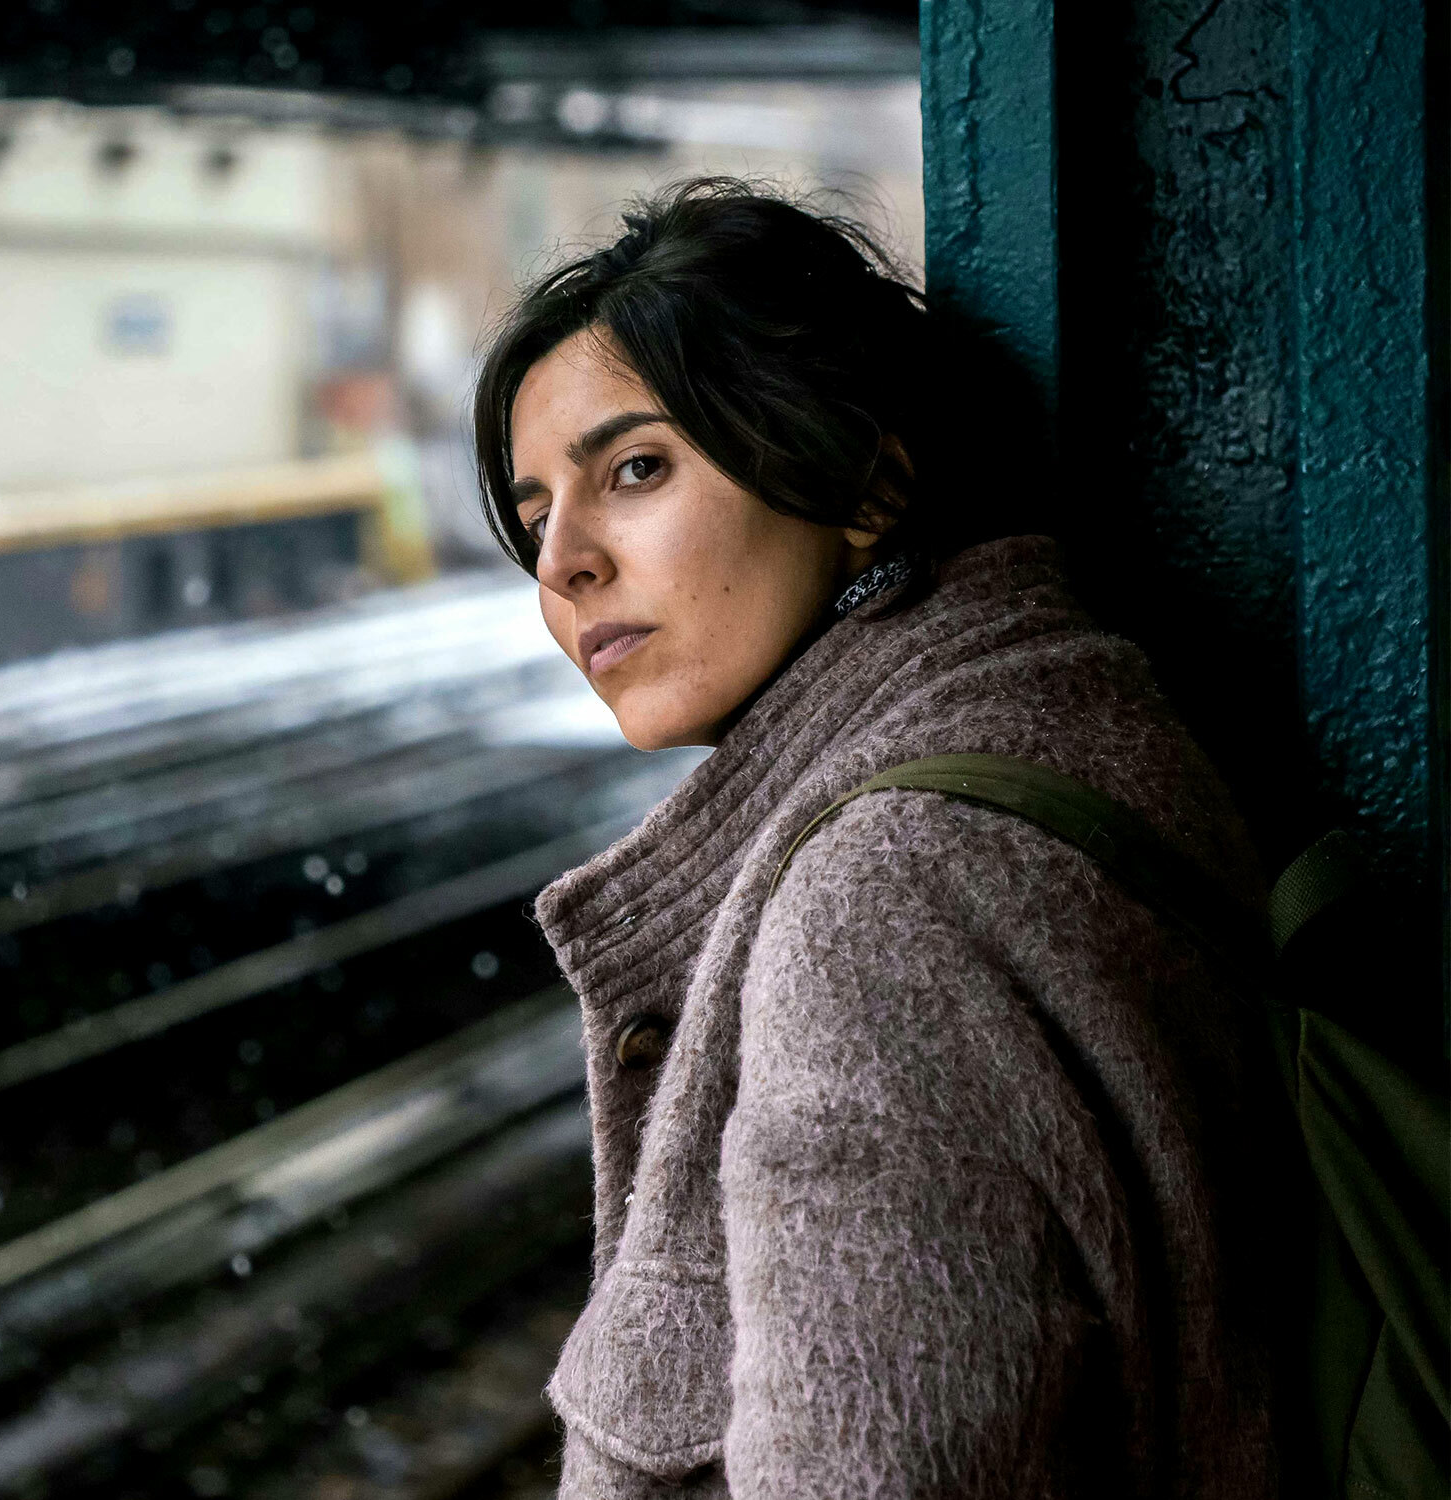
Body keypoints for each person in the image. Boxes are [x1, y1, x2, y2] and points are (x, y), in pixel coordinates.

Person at [473, 179, 1275, 1497]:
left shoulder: (889, 901)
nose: (563, 561)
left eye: (634, 469)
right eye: (533, 512)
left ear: (862, 477)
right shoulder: (1058, 716)